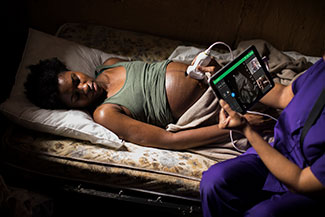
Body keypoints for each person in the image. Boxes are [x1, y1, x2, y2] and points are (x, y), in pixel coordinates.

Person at [24, 57, 268, 150]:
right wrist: (239, 126)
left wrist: (197, 66)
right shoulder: (105, 113)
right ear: (72, 108)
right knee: (287, 111)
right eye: (76, 96)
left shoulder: (109, 63)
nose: (84, 87)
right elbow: (168, 140)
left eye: (76, 79)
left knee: (284, 88)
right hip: (211, 107)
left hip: (215, 78)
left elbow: (157, 70)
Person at [200, 55, 325, 217]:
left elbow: (300, 181)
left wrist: (247, 129)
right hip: (280, 150)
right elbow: (284, 95)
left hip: (306, 183)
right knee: (215, 180)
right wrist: (227, 77)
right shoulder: (321, 69)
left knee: (263, 214)